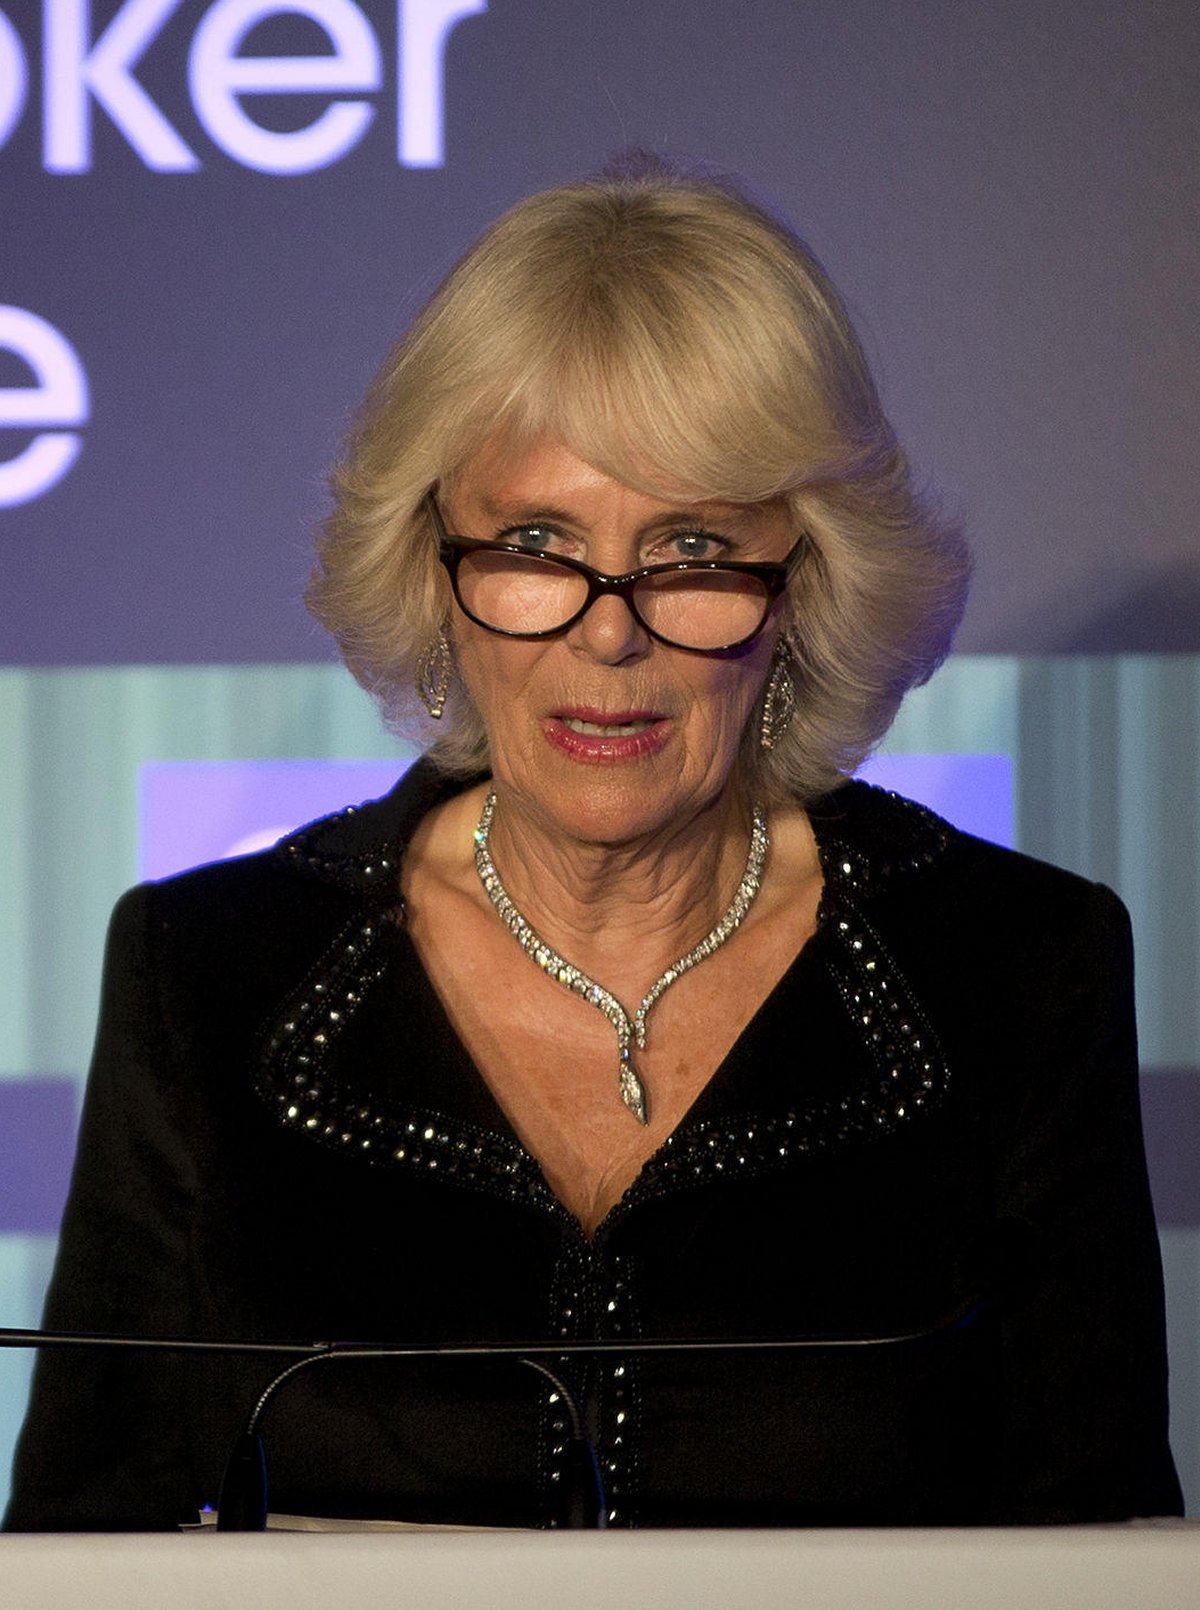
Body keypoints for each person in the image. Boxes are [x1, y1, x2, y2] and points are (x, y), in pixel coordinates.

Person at [5, 161, 1182, 1531]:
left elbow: (1108, 1553)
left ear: (804, 588)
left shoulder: (1020, 967)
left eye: (689, 547)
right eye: (535, 542)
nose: (606, 628)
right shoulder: (209, 972)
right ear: (433, 572)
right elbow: (81, 1550)